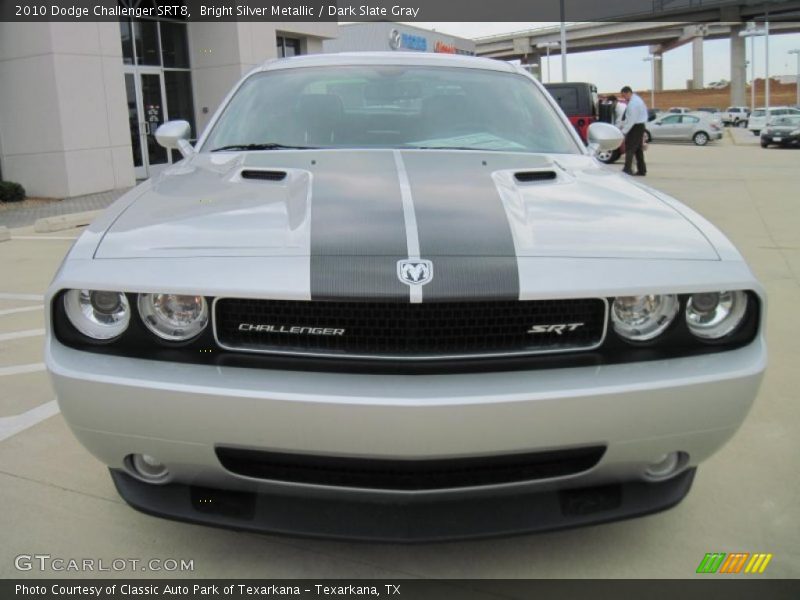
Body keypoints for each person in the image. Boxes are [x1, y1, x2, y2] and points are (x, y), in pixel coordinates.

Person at [618, 86, 648, 176]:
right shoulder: (637, 99)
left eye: (624, 96)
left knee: (630, 148)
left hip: (635, 126)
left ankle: (627, 169)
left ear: (628, 93)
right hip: (640, 125)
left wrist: (623, 131)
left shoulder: (633, 104)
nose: (624, 98)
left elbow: (631, 120)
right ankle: (642, 170)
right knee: (638, 149)